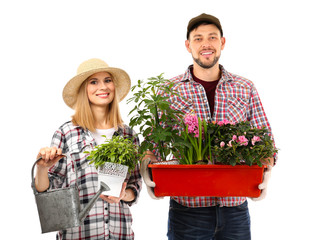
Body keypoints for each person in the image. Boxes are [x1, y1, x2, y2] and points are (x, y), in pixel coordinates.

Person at [141, 13, 277, 240]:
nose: (206, 44)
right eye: (198, 38)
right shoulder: (169, 90)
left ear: (222, 43)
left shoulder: (245, 87)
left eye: (212, 37)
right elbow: (155, 141)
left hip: (235, 209)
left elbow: (266, 140)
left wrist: (266, 168)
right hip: (187, 210)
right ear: (188, 45)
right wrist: (147, 163)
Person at [34, 58, 142, 240]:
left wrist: (124, 194)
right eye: (94, 82)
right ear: (84, 89)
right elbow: (47, 190)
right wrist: (42, 168)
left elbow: (135, 183)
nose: (103, 87)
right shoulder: (66, 133)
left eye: (108, 80)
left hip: (120, 233)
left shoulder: (128, 135)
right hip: (79, 234)